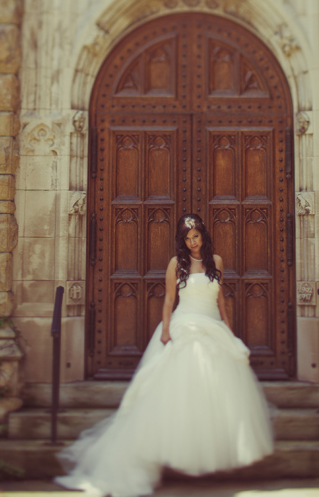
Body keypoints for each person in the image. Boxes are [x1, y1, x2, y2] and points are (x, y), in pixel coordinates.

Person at [55, 213, 274, 496]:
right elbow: (170, 299)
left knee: (215, 388)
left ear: (203, 237)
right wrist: (166, 330)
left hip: (212, 325)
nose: (193, 242)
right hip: (185, 323)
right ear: (183, 241)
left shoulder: (216, 262)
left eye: (196, 236)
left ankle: (205, 446)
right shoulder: (177, 264)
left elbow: (221, 299)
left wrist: (229, 331)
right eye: (188, 238)